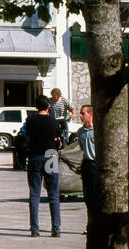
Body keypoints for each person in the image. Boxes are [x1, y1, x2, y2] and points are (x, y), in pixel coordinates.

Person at [24, 95, 63, 237]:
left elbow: (27, 139)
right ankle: (56, 229)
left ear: (36, 107)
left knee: (35, 193)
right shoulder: (54, 122)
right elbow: (58, 140)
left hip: (35, 156)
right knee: (53, 194)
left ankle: (35, 229)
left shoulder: (30, 121)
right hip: (51, 155)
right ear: (48, 107)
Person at [72, 104, 96, 210]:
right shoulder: (80, 132)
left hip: (96, 163)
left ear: (90, 115)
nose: (80, 116)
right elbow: (82, 149)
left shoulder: (97, 130)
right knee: (87, 193)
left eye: (83, 113)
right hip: (87, 162)